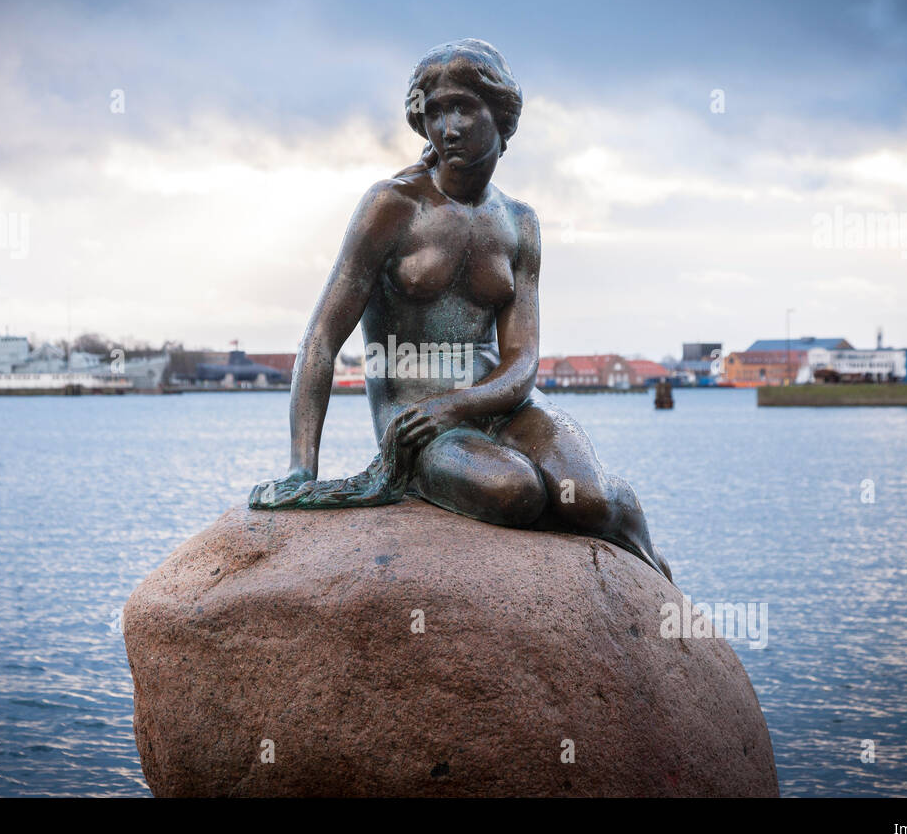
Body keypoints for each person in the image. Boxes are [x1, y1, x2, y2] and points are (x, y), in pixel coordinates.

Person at [251, 39, 671, 581]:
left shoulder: (520, 223)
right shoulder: (394, 206)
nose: (447, 127)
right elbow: (320, 340)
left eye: (462, 108)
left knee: (586, 497)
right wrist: (300, 469)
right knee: (514, 490)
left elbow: (522, 359)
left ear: (500, 113)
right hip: (421, 421)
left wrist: (465, 403)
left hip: (504, 405)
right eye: (434, 112)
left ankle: (655, 573)